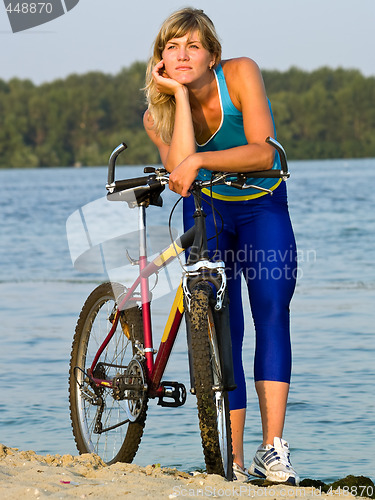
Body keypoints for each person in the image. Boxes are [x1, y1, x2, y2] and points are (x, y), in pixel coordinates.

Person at [143, 7, 299, 485]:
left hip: (262, 205)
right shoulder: (159, 115)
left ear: (213, 54)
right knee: (220, 325)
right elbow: (184, 176)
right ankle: (229, 459)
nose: (182, 55)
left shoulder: (242, 73)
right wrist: (178, 96)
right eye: (172, 47)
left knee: (270, 308)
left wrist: (205, 159)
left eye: (193, 45)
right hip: (209, 210)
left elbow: (264, 151)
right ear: (161, 61)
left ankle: (271, 452)